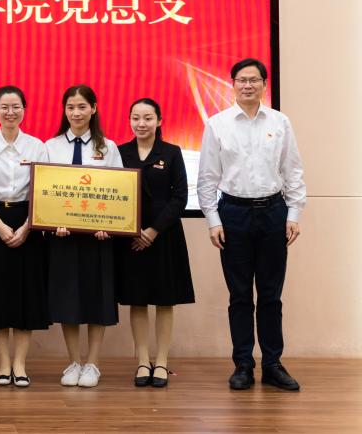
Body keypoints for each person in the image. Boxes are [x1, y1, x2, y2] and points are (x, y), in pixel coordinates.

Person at [198, 58, 305, 391]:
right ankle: (243, 364)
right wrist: (213, 220)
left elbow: (293, 170)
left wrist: (293, 214)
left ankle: (273, 364)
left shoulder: (280, 122)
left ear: (264, 84)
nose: (248, 85)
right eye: (241, 80)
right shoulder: (217, 124)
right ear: (232, 84)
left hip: (273, 212)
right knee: (240, 295)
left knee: (271, 295)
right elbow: (207, 177)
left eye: (254, 80)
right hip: (234, 214)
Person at [44, 84, 123, 389]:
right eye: (70, 107)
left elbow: (119, 190)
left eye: (81, 107)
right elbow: (45, 191)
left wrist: (109, 224)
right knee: (68, 298)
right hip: (63, 236)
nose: (76, 113)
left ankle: (93, 363)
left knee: (96, 297)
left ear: (94, 108)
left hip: (97, 238)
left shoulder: (108, 147)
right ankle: (74, 361)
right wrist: (52, 222)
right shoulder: (51, 147)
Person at [116, 98, 195, 388]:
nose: (141, 123)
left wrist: (153, 230)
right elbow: (113, 194)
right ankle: (142, 360)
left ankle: (161, 361)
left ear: (159, 121)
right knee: (137, 299)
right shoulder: (119, 152)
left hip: (164, 235)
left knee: (164, 299)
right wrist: (133, 229)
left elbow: (180, 197)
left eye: (148, 118)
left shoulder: (171, 152)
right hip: (130, 236)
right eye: (136, 118)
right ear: (129, 120)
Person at [0, 86, 50, 388]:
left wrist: (27, 227)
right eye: (4, 107)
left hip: (28, 222)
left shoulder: (37, 146)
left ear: (24, 110)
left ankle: (20, 364)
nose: (10, 112)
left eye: (16, 106)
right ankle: (3, 364)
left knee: (25, 296)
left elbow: (43, 190)